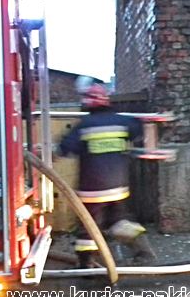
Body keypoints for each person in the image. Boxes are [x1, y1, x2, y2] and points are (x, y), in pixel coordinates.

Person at [59, 83, 155, 267]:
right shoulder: (121, 121)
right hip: (118, 187)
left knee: (89, 227)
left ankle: (86, 264)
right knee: (118, 220)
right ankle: (144, 252)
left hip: (92, 189)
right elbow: (139, 130)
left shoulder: (84, 126)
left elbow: (65, 148)